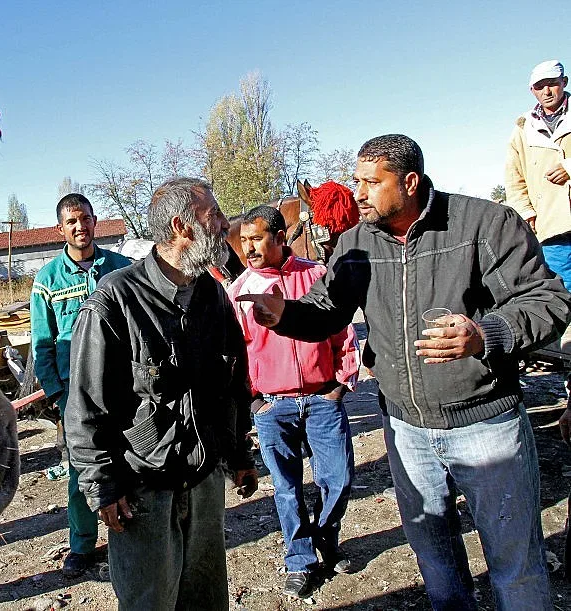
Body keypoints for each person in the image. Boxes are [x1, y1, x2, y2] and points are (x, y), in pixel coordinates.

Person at [236, 134, 571, 611]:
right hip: (405, 428)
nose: (358, 193)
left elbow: (548, 300)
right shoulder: (354, 244)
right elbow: (327, 310)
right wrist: (284, 313)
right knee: (436, 560)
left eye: (372, 183)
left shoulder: (484, 224)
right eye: (357, 181)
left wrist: (485, 333)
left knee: (514, 562)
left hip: (486, 424)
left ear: (410, 182)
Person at [64, 178, 259, 610]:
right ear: (181, 226)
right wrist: (103, 487)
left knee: (205, 600)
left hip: (205, 482)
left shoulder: (212, 296)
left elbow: (233, 385)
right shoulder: (115, 301)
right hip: (141, 492)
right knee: (148, 602)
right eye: (215, 215)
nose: (226, 224)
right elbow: (84, 408)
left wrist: (239, 454)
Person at [227, 204, 360, 598]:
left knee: (338, 479)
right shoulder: (238, 294)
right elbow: (236, 356)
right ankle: (299, 559)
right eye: (244, 241)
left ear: (281, 237)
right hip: (273, 406)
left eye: (257, 239)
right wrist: (254, 404)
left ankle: (326, 537)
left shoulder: (318, 276)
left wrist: (340, 385)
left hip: (323, 399)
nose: (248, 248)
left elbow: (343, 335)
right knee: (286, 489)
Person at [30, 193, 130, 578]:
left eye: (86, 219)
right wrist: (58, 395)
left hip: (122, 388)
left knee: (128, 459)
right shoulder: (47, 280)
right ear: (61, 229)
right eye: (72, 221)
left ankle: (129, 529)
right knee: (81, 471)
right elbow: (42, 343)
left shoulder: (120, 269)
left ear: (95, 222)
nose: (80, 227)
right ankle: (82, 545)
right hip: (75, 396)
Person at [505, 60, 571, 290]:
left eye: (552, 84)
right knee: (561, 288)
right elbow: (515, 178)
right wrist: (526, 213)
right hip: (553, 223)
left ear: (564, 82)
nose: (546, 91)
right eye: (539, 86)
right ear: (532, 90)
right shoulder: (524, 128)